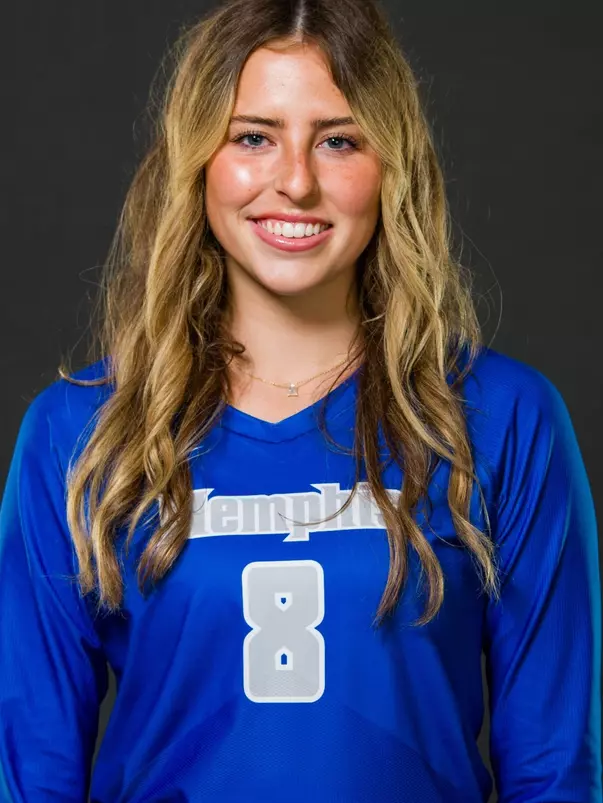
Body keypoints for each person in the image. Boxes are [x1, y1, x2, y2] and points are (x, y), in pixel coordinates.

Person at [0, 0, 600, 800]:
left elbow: (554, 768)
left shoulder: (500, 416)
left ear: (391, 164)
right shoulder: (81, 431)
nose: (295, 181)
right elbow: (28, 767)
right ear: (198, 161)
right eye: (253, 136)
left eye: (338, 140)